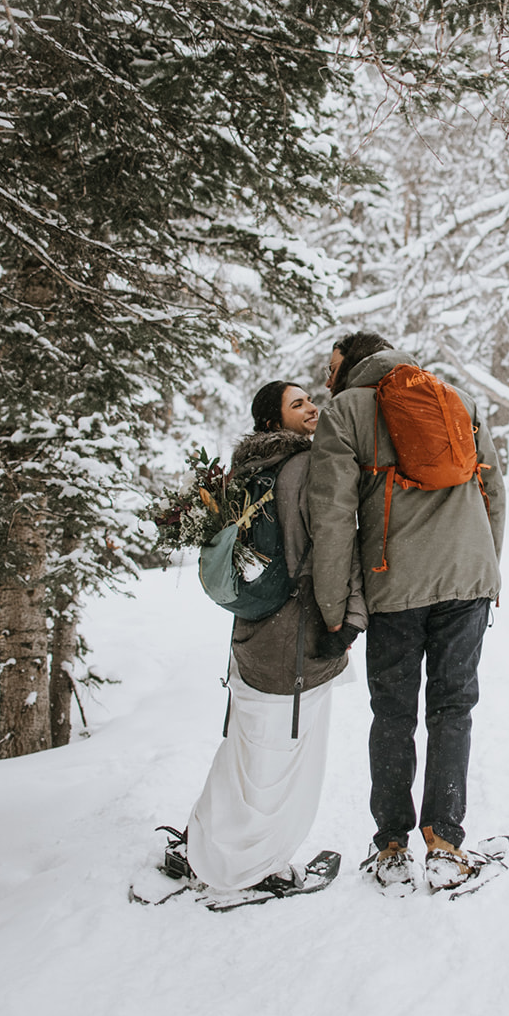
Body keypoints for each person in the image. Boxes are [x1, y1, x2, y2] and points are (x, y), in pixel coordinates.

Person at [308, 332, 507, 891]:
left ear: (353, 365)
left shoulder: (345, 411)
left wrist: (336, 609)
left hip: (393, 586)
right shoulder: (455, 397)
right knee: (453, 708)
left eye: (332, 367)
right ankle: (445, 844)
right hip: (467, 579)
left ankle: (392, 847)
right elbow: (492, 486)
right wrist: (485, 567)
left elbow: (331, 517)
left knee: (393, 714)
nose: (326, 379)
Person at [177, 380, 367, 892]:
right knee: (281, 762)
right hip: (296, 640)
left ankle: (205, 844)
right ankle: (252, 868)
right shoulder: (304, 468)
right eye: (298, 403)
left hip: (251, 634)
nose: (312, 407)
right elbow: (326, 548)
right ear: (270, 422)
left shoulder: (245, 470)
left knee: (246, 750)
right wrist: (344, 623)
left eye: (310, 399)